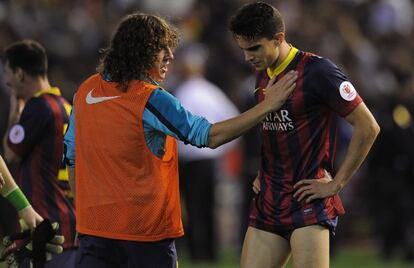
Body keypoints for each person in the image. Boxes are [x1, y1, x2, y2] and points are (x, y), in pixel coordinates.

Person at [63, 12, 297, 268]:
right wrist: (267, 105)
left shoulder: (85, 91)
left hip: (94, 233)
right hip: (145, 237)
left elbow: (71, 156)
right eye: (162, 48)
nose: (171, 56)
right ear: (141, 52)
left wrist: (82, 218)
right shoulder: (149, 98)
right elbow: (208, 135)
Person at [229, 2, 380, 268]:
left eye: (254, 48)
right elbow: (275, 130)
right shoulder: (262, 76)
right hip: (270, 198)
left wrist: (337, 184)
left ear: (278, 38)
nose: (248, 57)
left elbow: (368, 126)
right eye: (243, 50)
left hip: (308, 201)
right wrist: (262, 171)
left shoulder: (319, 71)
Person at [2, 40, 77, 267]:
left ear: (20, 73)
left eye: (9, 74)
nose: (7, 82)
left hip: (43, 226)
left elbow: (9, 154)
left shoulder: (38, 107)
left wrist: (15, 114)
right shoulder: (66, 107)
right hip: (70, 222)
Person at [173, 43, 240, 262]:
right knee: (209, 207)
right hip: (209, 160)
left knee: (192, 208)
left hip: (189, 162)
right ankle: (211, 253)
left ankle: (196, 252)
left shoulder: (181, 92)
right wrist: (220, 149)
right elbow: (234, 119)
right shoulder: (212, 91)